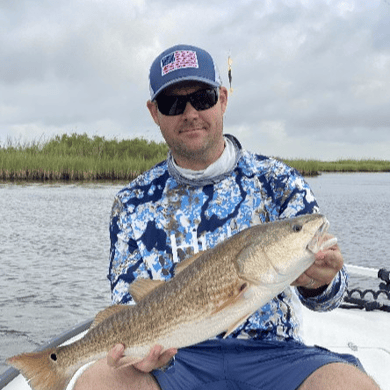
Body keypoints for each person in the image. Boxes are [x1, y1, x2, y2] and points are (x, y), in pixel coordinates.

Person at [72, 44, 379, 390]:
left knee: (349, 385)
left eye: (202, 98)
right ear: (154, 113)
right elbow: (128, 303)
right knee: (98, 382)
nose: (190, 113)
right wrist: (141, 352)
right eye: (173, 104)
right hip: (175, 358)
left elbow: (331, 297)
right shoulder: (131, 202)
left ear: (223, 98)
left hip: (275, 355)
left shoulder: (278, 181)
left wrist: (319, 282)